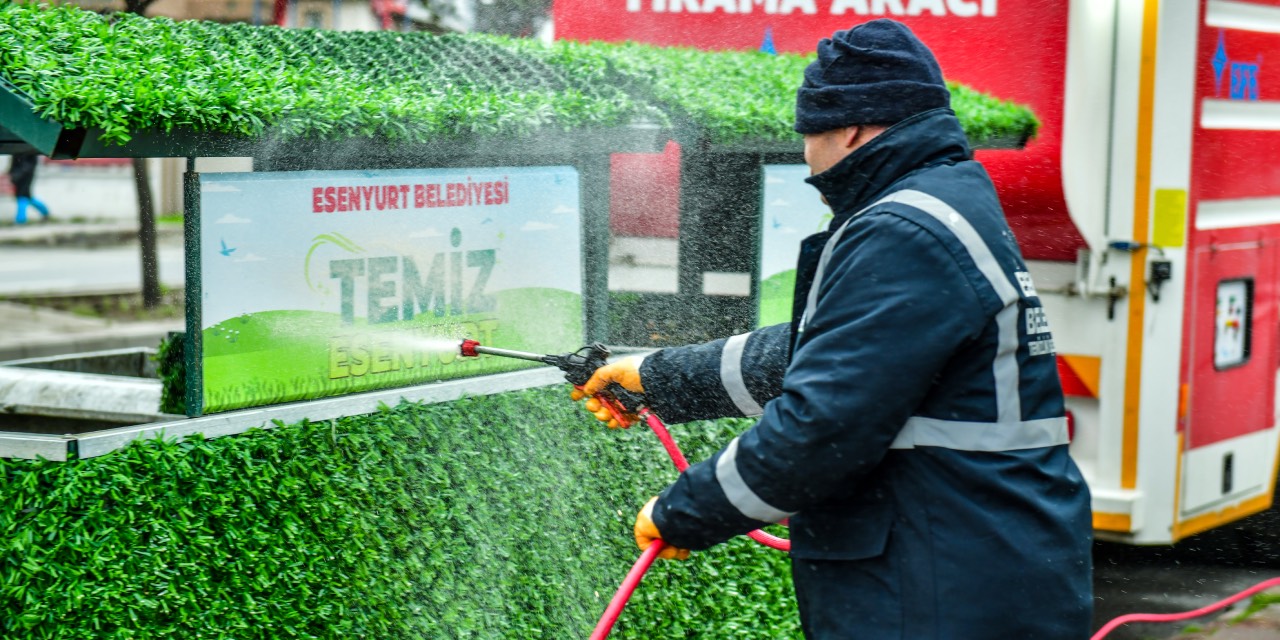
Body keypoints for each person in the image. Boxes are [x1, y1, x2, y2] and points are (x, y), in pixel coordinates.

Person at [576, 19, 1094, 639]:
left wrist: (686, 510)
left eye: (808, 136)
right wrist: (660, 379)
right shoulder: (942, 202)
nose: (807, 159)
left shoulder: (905, 230)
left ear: (851, 128)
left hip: (939, 591)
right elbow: (825, 353)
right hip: (975, 564)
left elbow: (824, 425)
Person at [9, 151, 50, 224]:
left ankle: (20, 220)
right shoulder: (16, 149)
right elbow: (14, 163)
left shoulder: (29, 149)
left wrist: (16, 175)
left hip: (26, 176)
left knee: (22, 197)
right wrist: (12, 174)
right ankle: (45, 212)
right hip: (18, 176)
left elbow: (29, 165)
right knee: (27, 197)